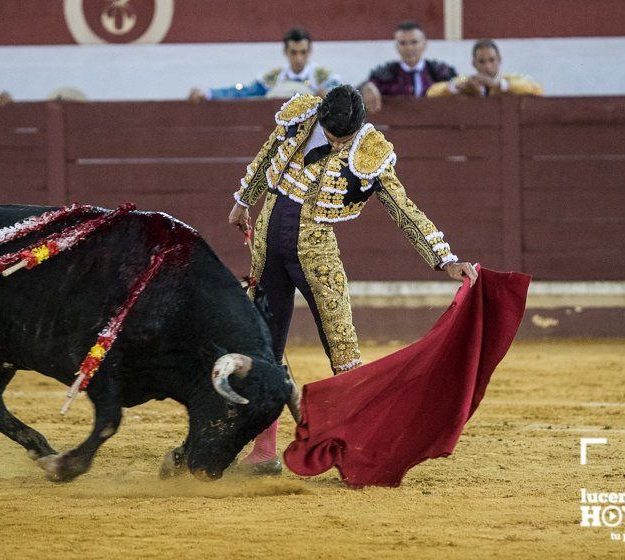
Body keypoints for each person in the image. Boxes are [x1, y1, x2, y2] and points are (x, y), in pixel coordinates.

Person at [228, 86, 477, 474]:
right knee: (265, 347)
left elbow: (402, 208)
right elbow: (267, 156)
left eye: (342, 137)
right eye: (329, 132)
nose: (333, 140)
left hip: (316, 253)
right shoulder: (301, 115)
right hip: (267, 241)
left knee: (344, 350)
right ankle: (264, 450)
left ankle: (358, 448)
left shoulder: (370, 150)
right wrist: (243, 201)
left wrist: (445, 259)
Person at [189, 28, 341, 101]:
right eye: (294, 52)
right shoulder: (274, 77)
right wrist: (209, 93)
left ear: (309, 51)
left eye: (303, 52)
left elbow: (346, 94)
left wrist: (330, 93)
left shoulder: (324, 77)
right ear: (286, 52)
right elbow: (243, 92)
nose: (299, 58)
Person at [359, 20, 456, 112]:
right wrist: (366, 88)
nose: (409, 48)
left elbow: (459, 84)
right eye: (402, 43)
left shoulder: (440, 71)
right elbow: (361, 90)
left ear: (424, 44)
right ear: (397, 47)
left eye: (414, 42)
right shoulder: (385, 73)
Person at [427, 39, 544, 98]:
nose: (487, 66)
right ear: (474, 63)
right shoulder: (466, 81)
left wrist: (499, 85)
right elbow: (431, 92)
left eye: (492, 60)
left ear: (499, 60)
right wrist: (461, 87)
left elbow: (538, 90)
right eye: (482, 61)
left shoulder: (512, 79)